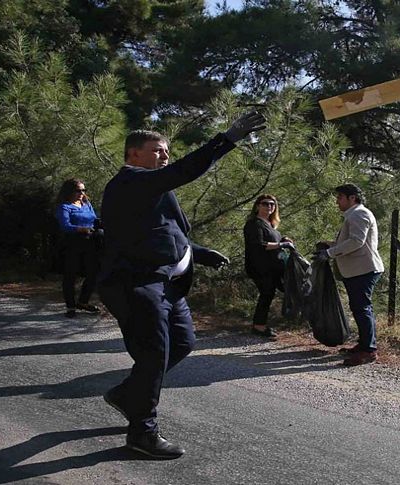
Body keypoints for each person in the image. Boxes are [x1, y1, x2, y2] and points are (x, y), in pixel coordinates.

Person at [98, 112, 265, 459]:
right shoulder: (129, 183)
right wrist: (227, 139)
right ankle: (141, 432)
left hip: (168, 285)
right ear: (133, 155)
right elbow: (184, 170)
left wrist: (200, 253)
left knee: (184, 342)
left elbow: (166, 233)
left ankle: (129, 393)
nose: (165, 156)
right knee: (153, 354)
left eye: (167, 151)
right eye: (157, 151)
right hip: (138, 283)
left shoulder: (153, 189)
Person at [315, 184, 384, 367]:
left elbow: (356, 242)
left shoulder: (359, 214)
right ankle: (364, 345)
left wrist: (329, 253)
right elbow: (349, 241)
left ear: (352, 198)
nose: (337, 201)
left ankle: (368, 351)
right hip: (358, 269)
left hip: (363, 269)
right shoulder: (354, 214)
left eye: (340, 197)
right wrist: (329, 245)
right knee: (360, 308)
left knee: (362, 309)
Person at [243, 194, 295, 338]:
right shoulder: (253, 224)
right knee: (267, 293)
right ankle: (259, 326)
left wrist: (283, 239)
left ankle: (266, 322)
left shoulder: (270, 224)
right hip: (259, 268)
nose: (269, 206)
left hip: (273, 267)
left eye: (272, 204)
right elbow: (259, 244)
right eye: (265, 203)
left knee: (281, 290)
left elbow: (273, 240)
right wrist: (281, 244)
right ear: (258, 205)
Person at [54, 178, 101, 318]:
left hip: (90, 242)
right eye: (78, 190)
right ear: (69, 191)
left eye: (83, 190)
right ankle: (70, 306)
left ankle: (83, 301)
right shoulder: (64, 207)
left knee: (93, 272)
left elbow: (94, 219)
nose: (81, 193)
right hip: (73, 244)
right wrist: (81, 229)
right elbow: (65, 226)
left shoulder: (86, 204)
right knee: (70, 275)